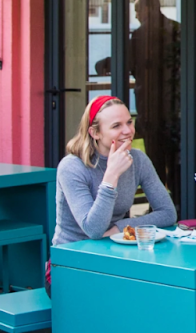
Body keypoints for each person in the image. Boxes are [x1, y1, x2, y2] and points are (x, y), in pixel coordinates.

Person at [54, 95, 178, 254]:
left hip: (117, 251)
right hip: (74, 256)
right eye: (116, 126)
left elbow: (168, 213)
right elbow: (93, 230)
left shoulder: (138, 159)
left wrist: (121, 227)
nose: (128, 131)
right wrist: (111, 175)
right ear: (95, 133)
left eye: (129, 122)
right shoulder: (72, 167)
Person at [129, 0, 182, 197]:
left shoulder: (141, 35)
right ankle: (180, 202)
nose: (136, 15)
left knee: (155, 161)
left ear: (148, 8)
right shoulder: (178, 30)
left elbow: (134, 67)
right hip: (176, 107)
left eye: (137, 10)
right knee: (176, 160)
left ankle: (157, 205)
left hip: (151, 107)